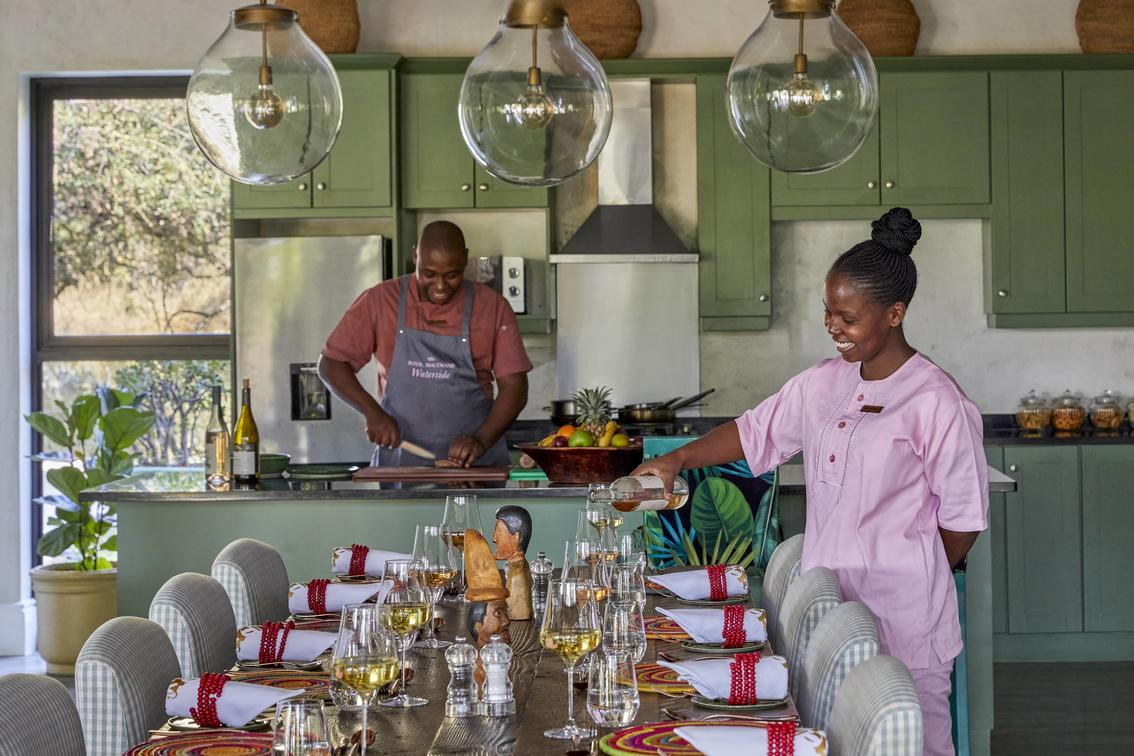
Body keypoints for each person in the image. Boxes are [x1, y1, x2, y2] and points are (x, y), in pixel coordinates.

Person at [634, 208, 987, 756]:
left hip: (903, 622)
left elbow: (963, 521)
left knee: (913, 744)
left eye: (848, 317)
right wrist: (679, 458)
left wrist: (909, 567)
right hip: (827, 617)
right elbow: (753, 432)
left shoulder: (937, 402)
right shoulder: (823, 383)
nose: (832, 326)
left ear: (895, 314)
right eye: (828, 312)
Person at [319, 220, 531, 467]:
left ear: (465, 259)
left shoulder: (493, 307)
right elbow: (331, 364)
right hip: (402, 464)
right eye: (429, 274)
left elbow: (515, 387)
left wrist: (481, 440)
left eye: (452, 275)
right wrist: (372, 412)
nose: (440, 286)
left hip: (474, 467)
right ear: (415, 256)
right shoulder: (380, 301)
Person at [493, 505, 534, 620]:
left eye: (498, 530)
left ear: (516, 537)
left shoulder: (517, 575)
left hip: (517, 628)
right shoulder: (520, 566)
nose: (494, 538)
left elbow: (513, 612)